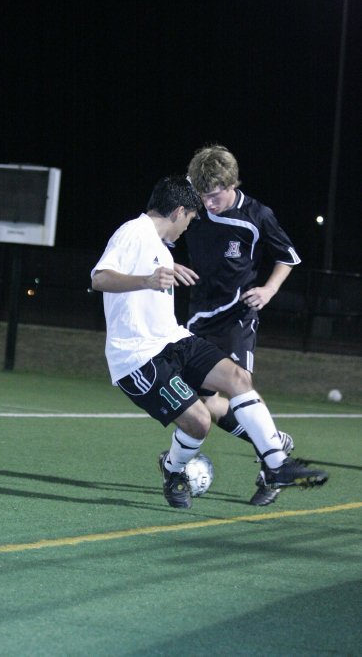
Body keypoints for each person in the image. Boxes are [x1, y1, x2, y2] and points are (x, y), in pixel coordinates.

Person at [91, 175, 327, 509]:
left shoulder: (158, 245)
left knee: (237, 379)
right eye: (189, 218)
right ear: (178, 212)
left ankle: (276, 465)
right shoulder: (133, 232)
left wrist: (164, 270)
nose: (188, 227)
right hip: (138, 359)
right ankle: (173, 471)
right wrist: (147, 279)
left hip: (173, 340)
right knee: (199, 422)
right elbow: (99, 278)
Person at [173, 143, 301, 506]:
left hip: (237, 317)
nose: (209, 204)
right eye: (203, 197)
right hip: (199, 317)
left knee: (240, 386)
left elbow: (287, 258)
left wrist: (269, 290)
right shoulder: (193, 209)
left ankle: (272, 469)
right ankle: (272, 440)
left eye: (214, 196)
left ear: (232, 184)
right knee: (202, 406)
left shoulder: (257, 215)